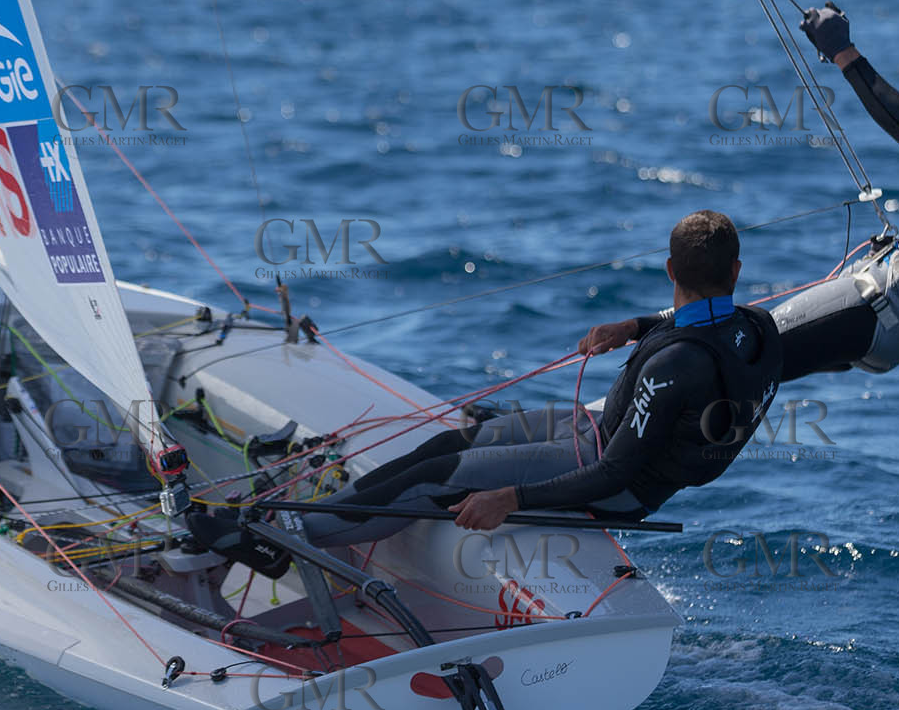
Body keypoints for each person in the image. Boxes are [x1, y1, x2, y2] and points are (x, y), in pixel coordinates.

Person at [188, 210, 782, 565]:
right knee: (449, 445)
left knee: (430, 482)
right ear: (735, 272)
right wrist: (633, 326)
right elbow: (695, 324)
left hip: (609, 476)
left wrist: (511, 500)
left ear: (670, 270)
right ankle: (327, 511)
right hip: (597, 433)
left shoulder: (672, 367)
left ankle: (279, 536)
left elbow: (613, 476)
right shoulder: (754, 326)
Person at [582, 4, 899, 381]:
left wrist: (845, 55)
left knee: (739, 352)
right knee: (745, 364)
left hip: (885, 303)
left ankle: (589, 435)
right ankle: (639, 344)